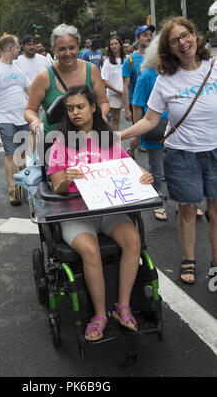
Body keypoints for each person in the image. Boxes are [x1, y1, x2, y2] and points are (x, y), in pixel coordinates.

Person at [47, 85, 154, 339]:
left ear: (93, 108)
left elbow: (131, 172)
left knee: (133, 240)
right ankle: (99, 315)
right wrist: (65, 180)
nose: (75, 112)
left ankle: (123, 306)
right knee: (90, 249)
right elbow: (57, 187)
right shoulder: (60, 144)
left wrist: (144, 177)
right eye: (70, 108)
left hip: (107, 210)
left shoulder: (108, 141)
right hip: (76, 213)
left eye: (80, 107)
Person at [121, 16, 217, 285]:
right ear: (169, 49)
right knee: (188, 210)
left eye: (186, 35)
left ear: (195, 35)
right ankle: (189, 259)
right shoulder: (165, 80)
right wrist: (120, 135)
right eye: (175, 41)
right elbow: (150, 120)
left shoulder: (214, 67)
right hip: (182, 154)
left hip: (215, 151)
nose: (183, 43)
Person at [24, 23, 109, 137]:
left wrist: (101, 116)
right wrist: (35, 121)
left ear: (78, 46)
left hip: (87, 137)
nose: (68, 53)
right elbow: (30, 110)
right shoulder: (44, 76)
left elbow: (103, 102)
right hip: (53, 141)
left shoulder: (92, 70)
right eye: (62, 49)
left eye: (72, 48)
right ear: (54, 49)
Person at [0, 34, 31, 206]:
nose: (19, 49)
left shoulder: (17, 68)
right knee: (11, 154)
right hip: (4, 118)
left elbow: (30, 89)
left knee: (23, 154)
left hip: (22, 117)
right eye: (18, 46)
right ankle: (13, 191)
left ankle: (24, 187)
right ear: (10, 48)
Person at [131, 35, 168, 221]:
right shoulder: (146, 75)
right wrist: (137, 133)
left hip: (177, 131)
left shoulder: (175, 72)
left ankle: (184, 203)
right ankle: (158, 201)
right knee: (156, 169)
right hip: (154, 129)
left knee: (176, 168)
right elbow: (137, 105)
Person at [122, 25, 155, 158]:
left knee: (155, 134)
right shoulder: (130, 60)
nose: (148, 37)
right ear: (137, 38)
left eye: (150, 34)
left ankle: (156, 166)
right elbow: (125, 85)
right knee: (138, 136)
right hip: (136, 104)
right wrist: (127, 108)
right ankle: (131, 152)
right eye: (144, 35)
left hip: (154, 103)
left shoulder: (157, 57)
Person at [101, 36, 125, 131]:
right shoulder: (107, 62)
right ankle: (115, 143)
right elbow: (104, 80)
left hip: (126, 94)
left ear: (120, 45)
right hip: (114, 94)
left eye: (116, 43)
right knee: (115, 120)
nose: (114, 46)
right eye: (111, 44)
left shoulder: (127, 59)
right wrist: (117, 91)